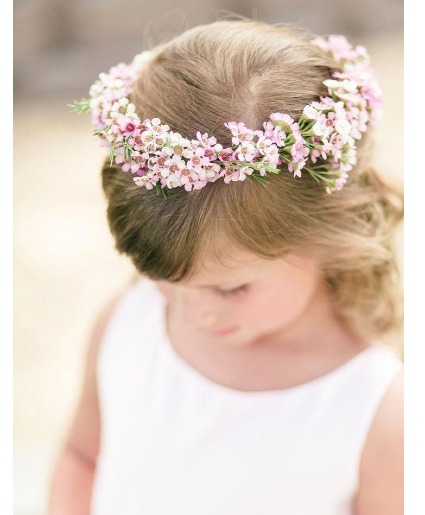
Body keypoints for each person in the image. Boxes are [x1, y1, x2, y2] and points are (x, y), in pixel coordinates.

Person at [48, 17, 404, 515]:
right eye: (164, 280)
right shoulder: (127, 323)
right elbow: (83, 456)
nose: (191, 314)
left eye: (230, 289)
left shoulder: (380, 412)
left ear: (328, 236)